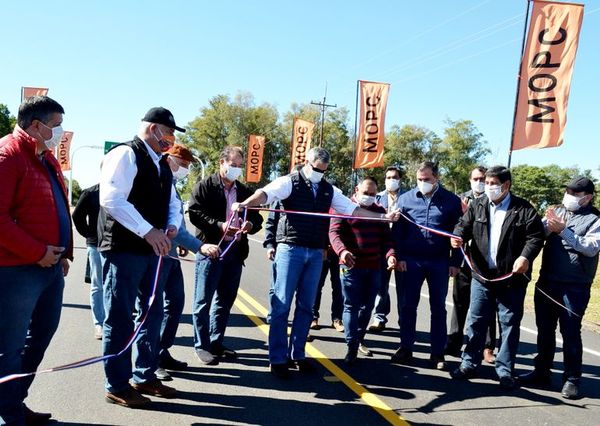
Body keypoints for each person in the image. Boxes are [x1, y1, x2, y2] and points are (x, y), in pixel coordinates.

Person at [232, 147, 400, 378]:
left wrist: (383, 216)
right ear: (306, 162)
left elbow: (354, 210)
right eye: (316, 169)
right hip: (290, 249)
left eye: (323, 171)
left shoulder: (328, 189)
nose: (319, 173)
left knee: (306, 306)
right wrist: (246, 204)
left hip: (315, 252)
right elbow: (264, 194)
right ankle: (277, 358)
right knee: (281, 305)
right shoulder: (288, 182)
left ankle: (297, 354)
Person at [99, 107, 185, 407]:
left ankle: (145, 375)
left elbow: (174, 201)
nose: (171, 139)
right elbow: (111, 199)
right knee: (120, 319)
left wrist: (172, 225)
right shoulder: (126, 154)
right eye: (169, 132)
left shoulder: (161, 163)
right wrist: (148, 231)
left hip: (153, 252)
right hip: (125, 251)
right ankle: (117, 385)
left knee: (151, 314)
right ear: (153, 129)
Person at [0, 96, 72, 424]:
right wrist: (37, 252)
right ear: (36, 125)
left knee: (41, 335)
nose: (60, 133)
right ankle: (8, 414)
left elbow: (56, 206)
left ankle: (13, 403)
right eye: (56, 126)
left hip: (49, 268)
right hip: (17, 270)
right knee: (9, 347)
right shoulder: (8, 155)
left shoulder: (46, 157)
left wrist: (63, 254)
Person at [450, 166, 545, 390]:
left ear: (506, 185)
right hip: (482, 277)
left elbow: (536, 237)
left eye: (494, 184)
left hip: (511, 280)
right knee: (476, 321)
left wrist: (525, 257)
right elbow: (462, 226)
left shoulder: (524, 209)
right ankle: (469, 363)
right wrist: (457, 237)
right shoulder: (478, 204)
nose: (489, 187)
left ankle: (505, 370)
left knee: (509, 324)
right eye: (487, 183)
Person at [519, 177, 599, 399]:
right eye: (567, 191)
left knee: (571, 332)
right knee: (545, 330)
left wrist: (564, 231)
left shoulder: (595, 220)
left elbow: (591, 248)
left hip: (574, 286)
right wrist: (545, 224)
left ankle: (572, 379)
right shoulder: (559, 212)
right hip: (547, 281)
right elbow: (540, 235)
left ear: (588, 197)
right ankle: (541, 371)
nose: (569, 196)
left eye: (574, 193)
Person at [188, 146, 263, 365]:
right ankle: (201, 347)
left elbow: (256, 216)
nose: (236, 170)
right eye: (233, 165)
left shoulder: (244, 191)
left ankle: (215, 342)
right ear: (222, 163)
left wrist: (251, 225)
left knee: (225, 301)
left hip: (236, 253)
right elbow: (195, 213)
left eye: (240, 166)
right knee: (203, 301)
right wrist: (219, 226)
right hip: (211, 250)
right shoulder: (204, 186)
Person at [155, 144, 220, 381]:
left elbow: (176, 224)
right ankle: (149, 361)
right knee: (154, 310)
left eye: (187, 166)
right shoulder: (158, 182)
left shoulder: (170, 184)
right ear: (169, 158)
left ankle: (161, 351)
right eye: (182, 164)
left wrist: (181, 242)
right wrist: (199, 246)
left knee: (174, 305)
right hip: (158, 256)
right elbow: (166, 225)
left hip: (170, 256)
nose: (185, 169)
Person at [390, 161, 462, 370]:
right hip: (411, 261)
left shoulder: (451, 201)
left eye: (427, 179)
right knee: (407, 305)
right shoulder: (405, 199)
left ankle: (438, 353)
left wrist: (455, 262)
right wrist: (399, 256)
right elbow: (398, 232)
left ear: (436, 178)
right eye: (419, 180)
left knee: (438, 308)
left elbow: (458, 234)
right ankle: (405, 347)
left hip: (439, 262)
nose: (423, 183)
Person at [329, 177, 396, 363]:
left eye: (373, 194)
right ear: (357, 190)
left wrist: (390, 254)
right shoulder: (343, 207)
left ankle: (359, 339)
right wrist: (342, 251)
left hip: (373, 267)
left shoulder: (379, 211)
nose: (369, 197)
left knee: (367, 307)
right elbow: (333, 233)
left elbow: (387, 239)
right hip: (351, 266)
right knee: (351, 305)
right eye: (366, 193)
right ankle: (351, 346)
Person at [445, 166, 497, 364]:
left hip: (485, 263)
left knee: (487, 305)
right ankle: (454, 340)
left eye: (483, 179)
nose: (480, 182)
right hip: (463, 259)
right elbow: (455, 229)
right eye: (476, 178)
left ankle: (487, 347)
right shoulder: (459, 200)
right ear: (470, 180)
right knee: (459, 301)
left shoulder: (495, 201)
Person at [369, 166, 404, 332]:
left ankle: (404, 322)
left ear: (400, 179)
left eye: (395, 177)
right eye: (388, 177)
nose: (391, 180)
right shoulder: (377, 198)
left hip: (403, 248)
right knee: (380, 285)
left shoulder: (408, 197)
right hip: (382, 247)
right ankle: (379, 318)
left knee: (404, 288)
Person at [73, 183, 104, 340]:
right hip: (96, 246)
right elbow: (77, 216)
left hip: (119, 247)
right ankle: (99, 323)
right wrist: (89, 235)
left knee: (116, 284)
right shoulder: (90, 193)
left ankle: (114, 321)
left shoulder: (124, 188)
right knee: (98, 285)